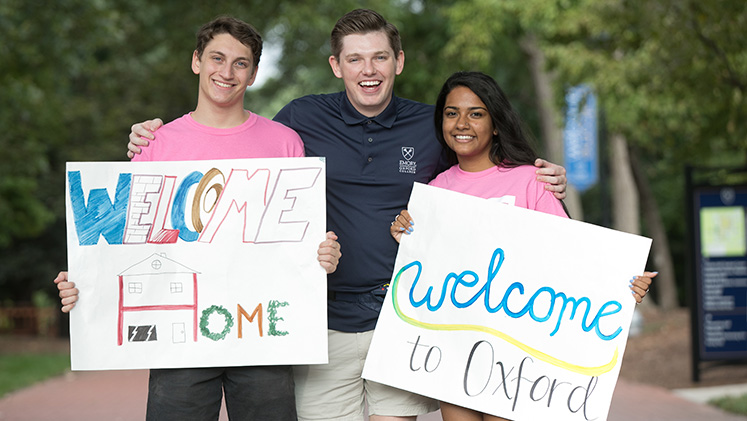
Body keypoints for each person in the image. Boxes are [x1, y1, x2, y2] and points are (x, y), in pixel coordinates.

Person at [123, 9, 568, 421]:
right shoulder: (297, 121)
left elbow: (478, 178)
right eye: (355, 59)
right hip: (323, 322)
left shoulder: (432, 126)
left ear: (399, 61)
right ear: (337, 66)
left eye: (379, 58)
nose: (368, 70)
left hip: (401, 317)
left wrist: (541, 176)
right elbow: (246, 166)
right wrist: (148, 139)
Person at [54, 16, 342, 421]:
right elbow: (126, 244)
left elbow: (304, 239)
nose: (226, 72)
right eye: (217, 58)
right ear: (196, 61)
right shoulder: (156, 145)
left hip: (262, 332)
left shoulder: (284, 143)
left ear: (254, 73)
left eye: (240, 63)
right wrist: (85, 280)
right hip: (180, 340)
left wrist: (323, 254)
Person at [390, 71, 656, 421]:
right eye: (451, 113)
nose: (462, 123)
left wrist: (620, 285)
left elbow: (570, 256)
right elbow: (425, 274)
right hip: (453, 347)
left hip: (518, 351)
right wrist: (405, 233)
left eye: (477, 113)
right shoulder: (433, 192)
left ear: (496, 124)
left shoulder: (531, 180)